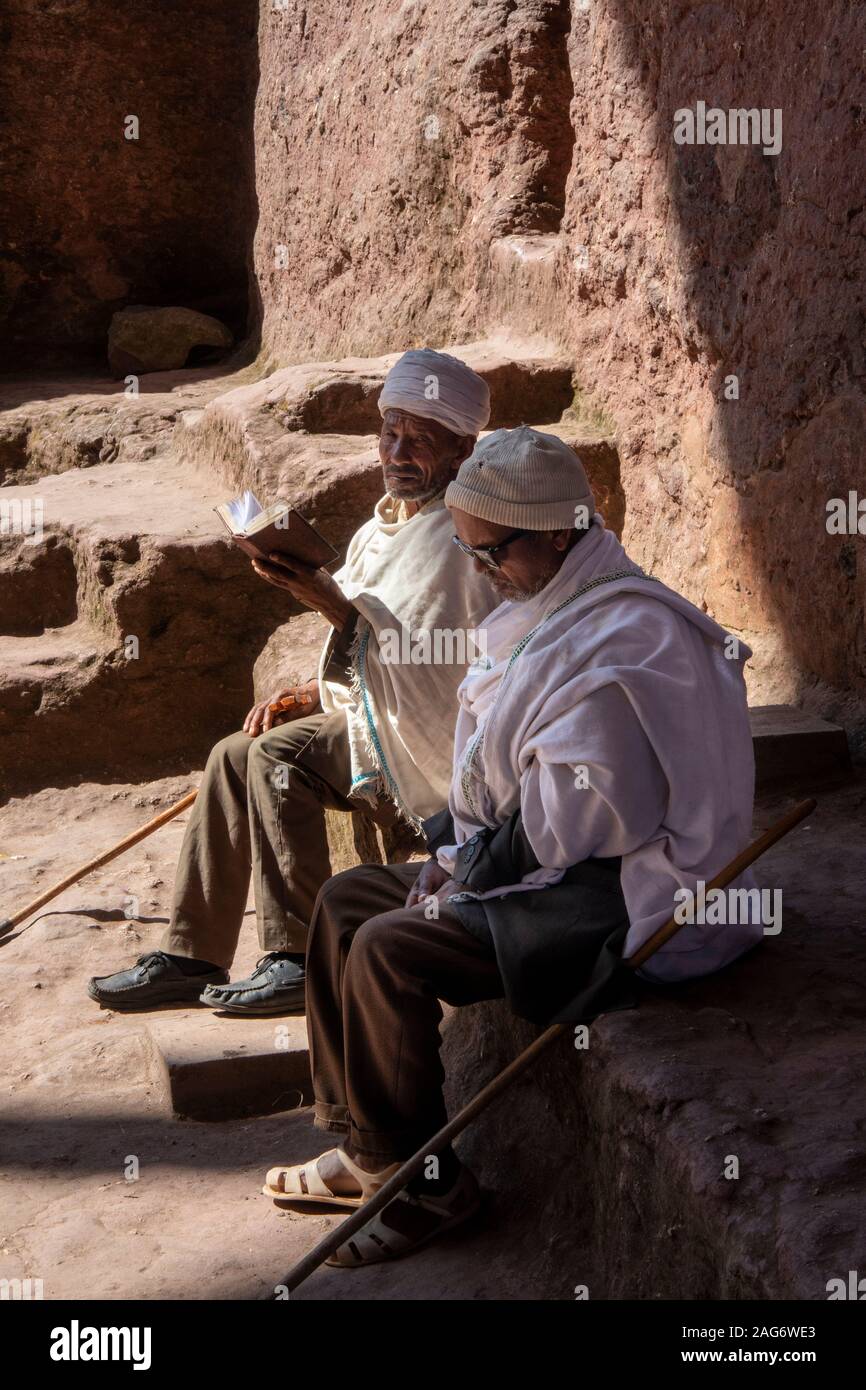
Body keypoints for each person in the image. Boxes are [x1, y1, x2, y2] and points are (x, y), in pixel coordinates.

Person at [264, 425, 761, 1266]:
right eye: (471, 555)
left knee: (390, 949)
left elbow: (580, 822)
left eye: (491, 556)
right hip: (555, 855)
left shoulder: (625, 636)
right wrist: (458, 860)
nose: (483, 575)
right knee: (347, 902)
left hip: (632, 884)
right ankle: (370, 1144)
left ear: (559, 532)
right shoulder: (552, 599)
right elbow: (508, 797)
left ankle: (429, 1190)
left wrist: (461, 880)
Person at [87, 350, 495, 1015]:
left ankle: (292, 958)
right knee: (232, 754)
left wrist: (328, 604)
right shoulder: (378, 528)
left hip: (430, 748)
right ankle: (192, 954)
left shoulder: (460, 536)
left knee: (278, 759)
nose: (397, 450)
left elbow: (433, 674)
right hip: (374, 720)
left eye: (418, 439)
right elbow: (375, 652)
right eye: (389, 431)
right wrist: (312, 692)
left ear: (460, 450)